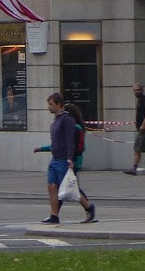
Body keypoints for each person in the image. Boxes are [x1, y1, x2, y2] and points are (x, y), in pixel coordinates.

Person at [34, 93, 96, 224]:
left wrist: (69, 158)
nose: (48, 107)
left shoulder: (67, 120)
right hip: (55, 158)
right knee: (52, 186)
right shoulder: (56, 120)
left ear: (58, 104)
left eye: (51, 104)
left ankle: (89, 207)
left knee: (69, 187)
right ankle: (54, 215)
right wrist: (42, 149)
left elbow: (69, 141)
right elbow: (56, 143)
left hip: (63, 159)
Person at [125, 82, 145, 175]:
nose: (137, 91)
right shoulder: (139, 100)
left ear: (142, 90)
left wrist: (143, 125)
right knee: (138, 149)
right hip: (141, 128)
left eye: (138, 89)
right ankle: (134, 168)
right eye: (135, 90)